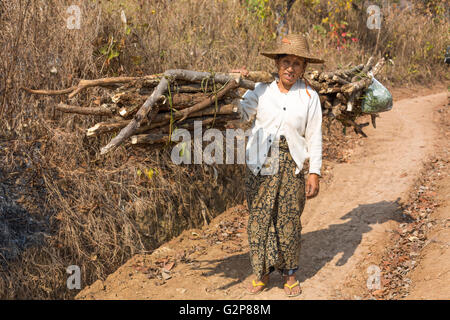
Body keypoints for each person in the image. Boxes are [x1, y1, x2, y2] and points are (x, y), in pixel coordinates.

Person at [232, 33, 324, 297]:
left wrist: (314, 172)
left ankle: (289, 274)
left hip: (291, 166)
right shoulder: (260, 91)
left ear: (304, 67)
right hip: (259, 165)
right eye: (286, 62)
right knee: (260, 220)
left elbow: (314, 136)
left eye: (297, 63)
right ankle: (261, 273)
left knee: (288, 221)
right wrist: (234, 85)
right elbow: (239, 114)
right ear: (276, 64)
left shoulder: (309, 97)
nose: (290, 68)